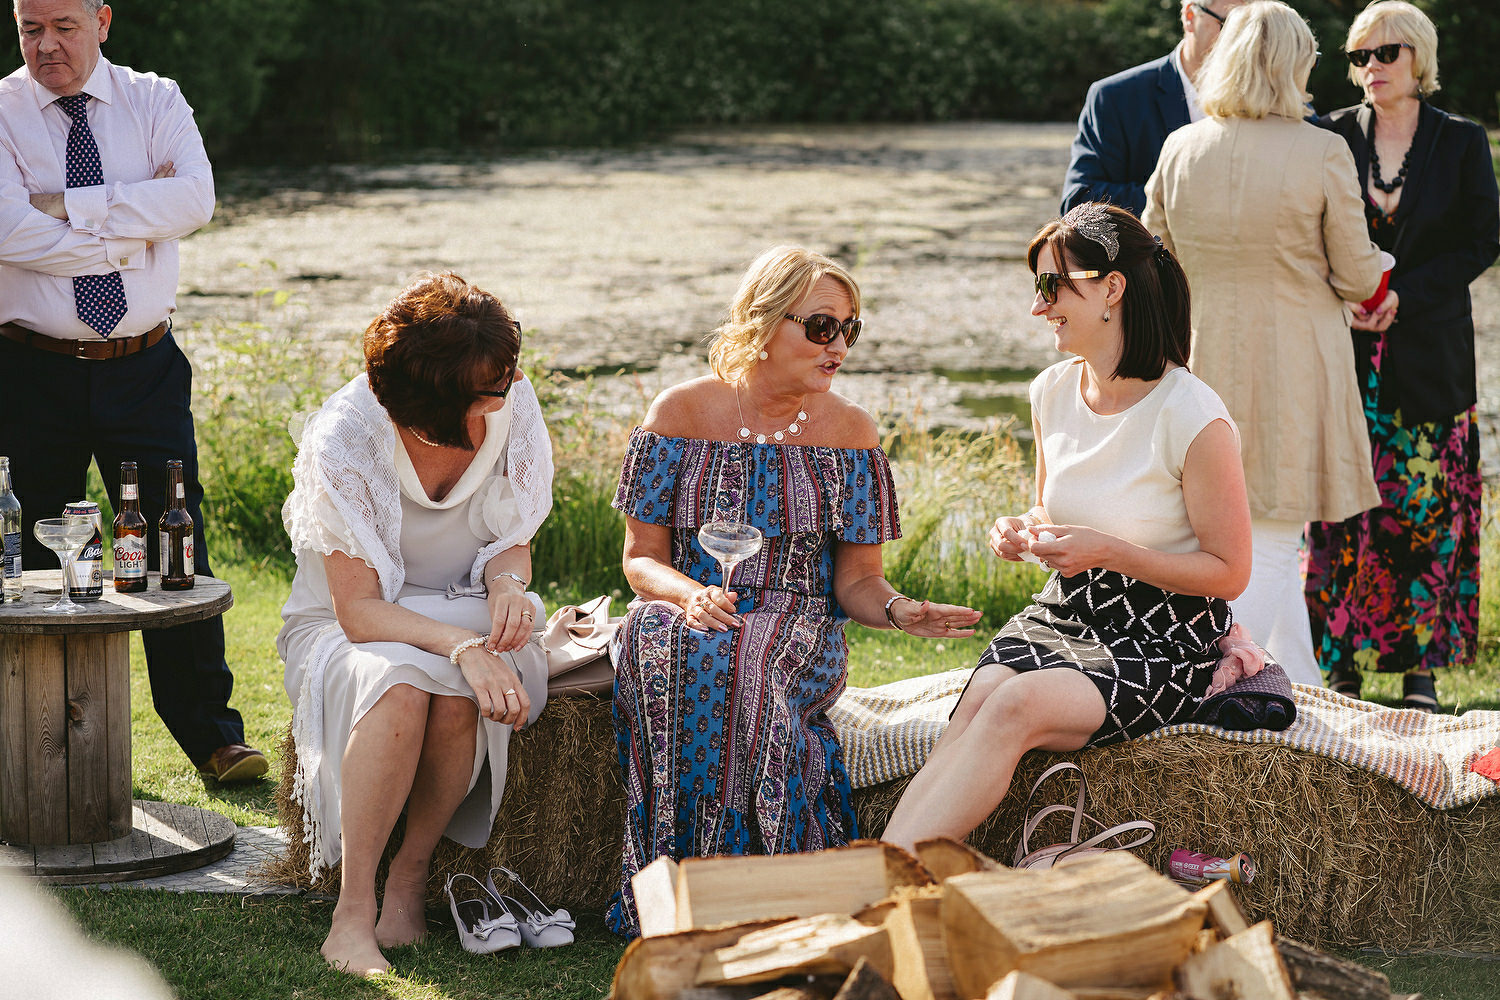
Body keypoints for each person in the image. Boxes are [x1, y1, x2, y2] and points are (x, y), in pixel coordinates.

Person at [607, 246, 981, 936]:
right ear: (761, 321)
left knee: (746, 661)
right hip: (683, 603)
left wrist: (900, 611)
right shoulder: (678, 414)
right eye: (820, 327)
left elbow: (859, 582)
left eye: (849, 329)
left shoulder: (851, 433)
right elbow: (640, 561)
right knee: (675, 647)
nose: (838, 345)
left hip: (797, 621)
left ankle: (770, 884)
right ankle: (674, 883)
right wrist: (686, 596)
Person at [881, 203, 1251, 853]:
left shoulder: (1192, 414)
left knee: (1013, 707)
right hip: (1067, 612)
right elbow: (1055, 510)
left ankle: (882, 875)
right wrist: (1023, 530)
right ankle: (891, 864)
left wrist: (1109, 551)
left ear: (1112, 288)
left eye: (1054, 287)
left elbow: (1230, 572)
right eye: (1039, 288)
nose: (1038, 307)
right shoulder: (1050, 391)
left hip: (1163, 637)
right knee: (980, 700)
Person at [0, 0, 265, 781]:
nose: (45, 46)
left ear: (103, 19)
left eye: (63, 27)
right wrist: (131, 221)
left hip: (145, 367)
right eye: (28, 29)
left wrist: (71, 209)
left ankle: (213, 737)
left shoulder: (156, 99)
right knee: (22, 550)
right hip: (27, 369)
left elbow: (195, 200)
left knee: (168, 539)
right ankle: (28, 740)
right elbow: (7, 233)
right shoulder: (1, 112)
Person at [278, 272, 553, 975]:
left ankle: (411, 878)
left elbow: (508, 542)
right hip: (351, 627)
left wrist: (510, 589)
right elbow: (359, 610)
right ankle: (352, 914)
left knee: (460, 696)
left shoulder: (509, 398)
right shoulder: (345, 438)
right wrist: (464, 647)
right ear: (434, 402)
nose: (512, 389)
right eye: (493, 385)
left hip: (467, 604)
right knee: (402, 685)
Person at [1143, 0, 1384, 687]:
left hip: (1199, 355)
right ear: (1292, 66)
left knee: (1237, 526)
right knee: (1275, 533)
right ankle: (1215, 684)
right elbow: (1356, 271)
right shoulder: (1322, 150)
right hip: (1295, 362)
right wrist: (1384, 271)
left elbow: (1154, 250)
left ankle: (1301, 687)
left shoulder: (1182, 147)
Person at [1304, 1, 1499, 711]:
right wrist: (1342, 291)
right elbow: (1305, 231)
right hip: (1343, 360)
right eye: (1358, 57)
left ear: (1418, 57)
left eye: (1385, 54)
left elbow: (1483, 239)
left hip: (1428, 357)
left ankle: (1422, 672)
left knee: (1427, 517)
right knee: (1342, 513)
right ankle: (1341, 666)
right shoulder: (1326, 137)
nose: (1371, 69)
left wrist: (1405, 297)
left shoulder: (1461, 141)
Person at [1060, 0, 1247, 216]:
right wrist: (1176, 197)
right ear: (1190, 16)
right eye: (1229, 24)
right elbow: (1078, 201)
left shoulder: (1273, 99)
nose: (1241, 38)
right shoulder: (1116, 97)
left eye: (1250, 27)